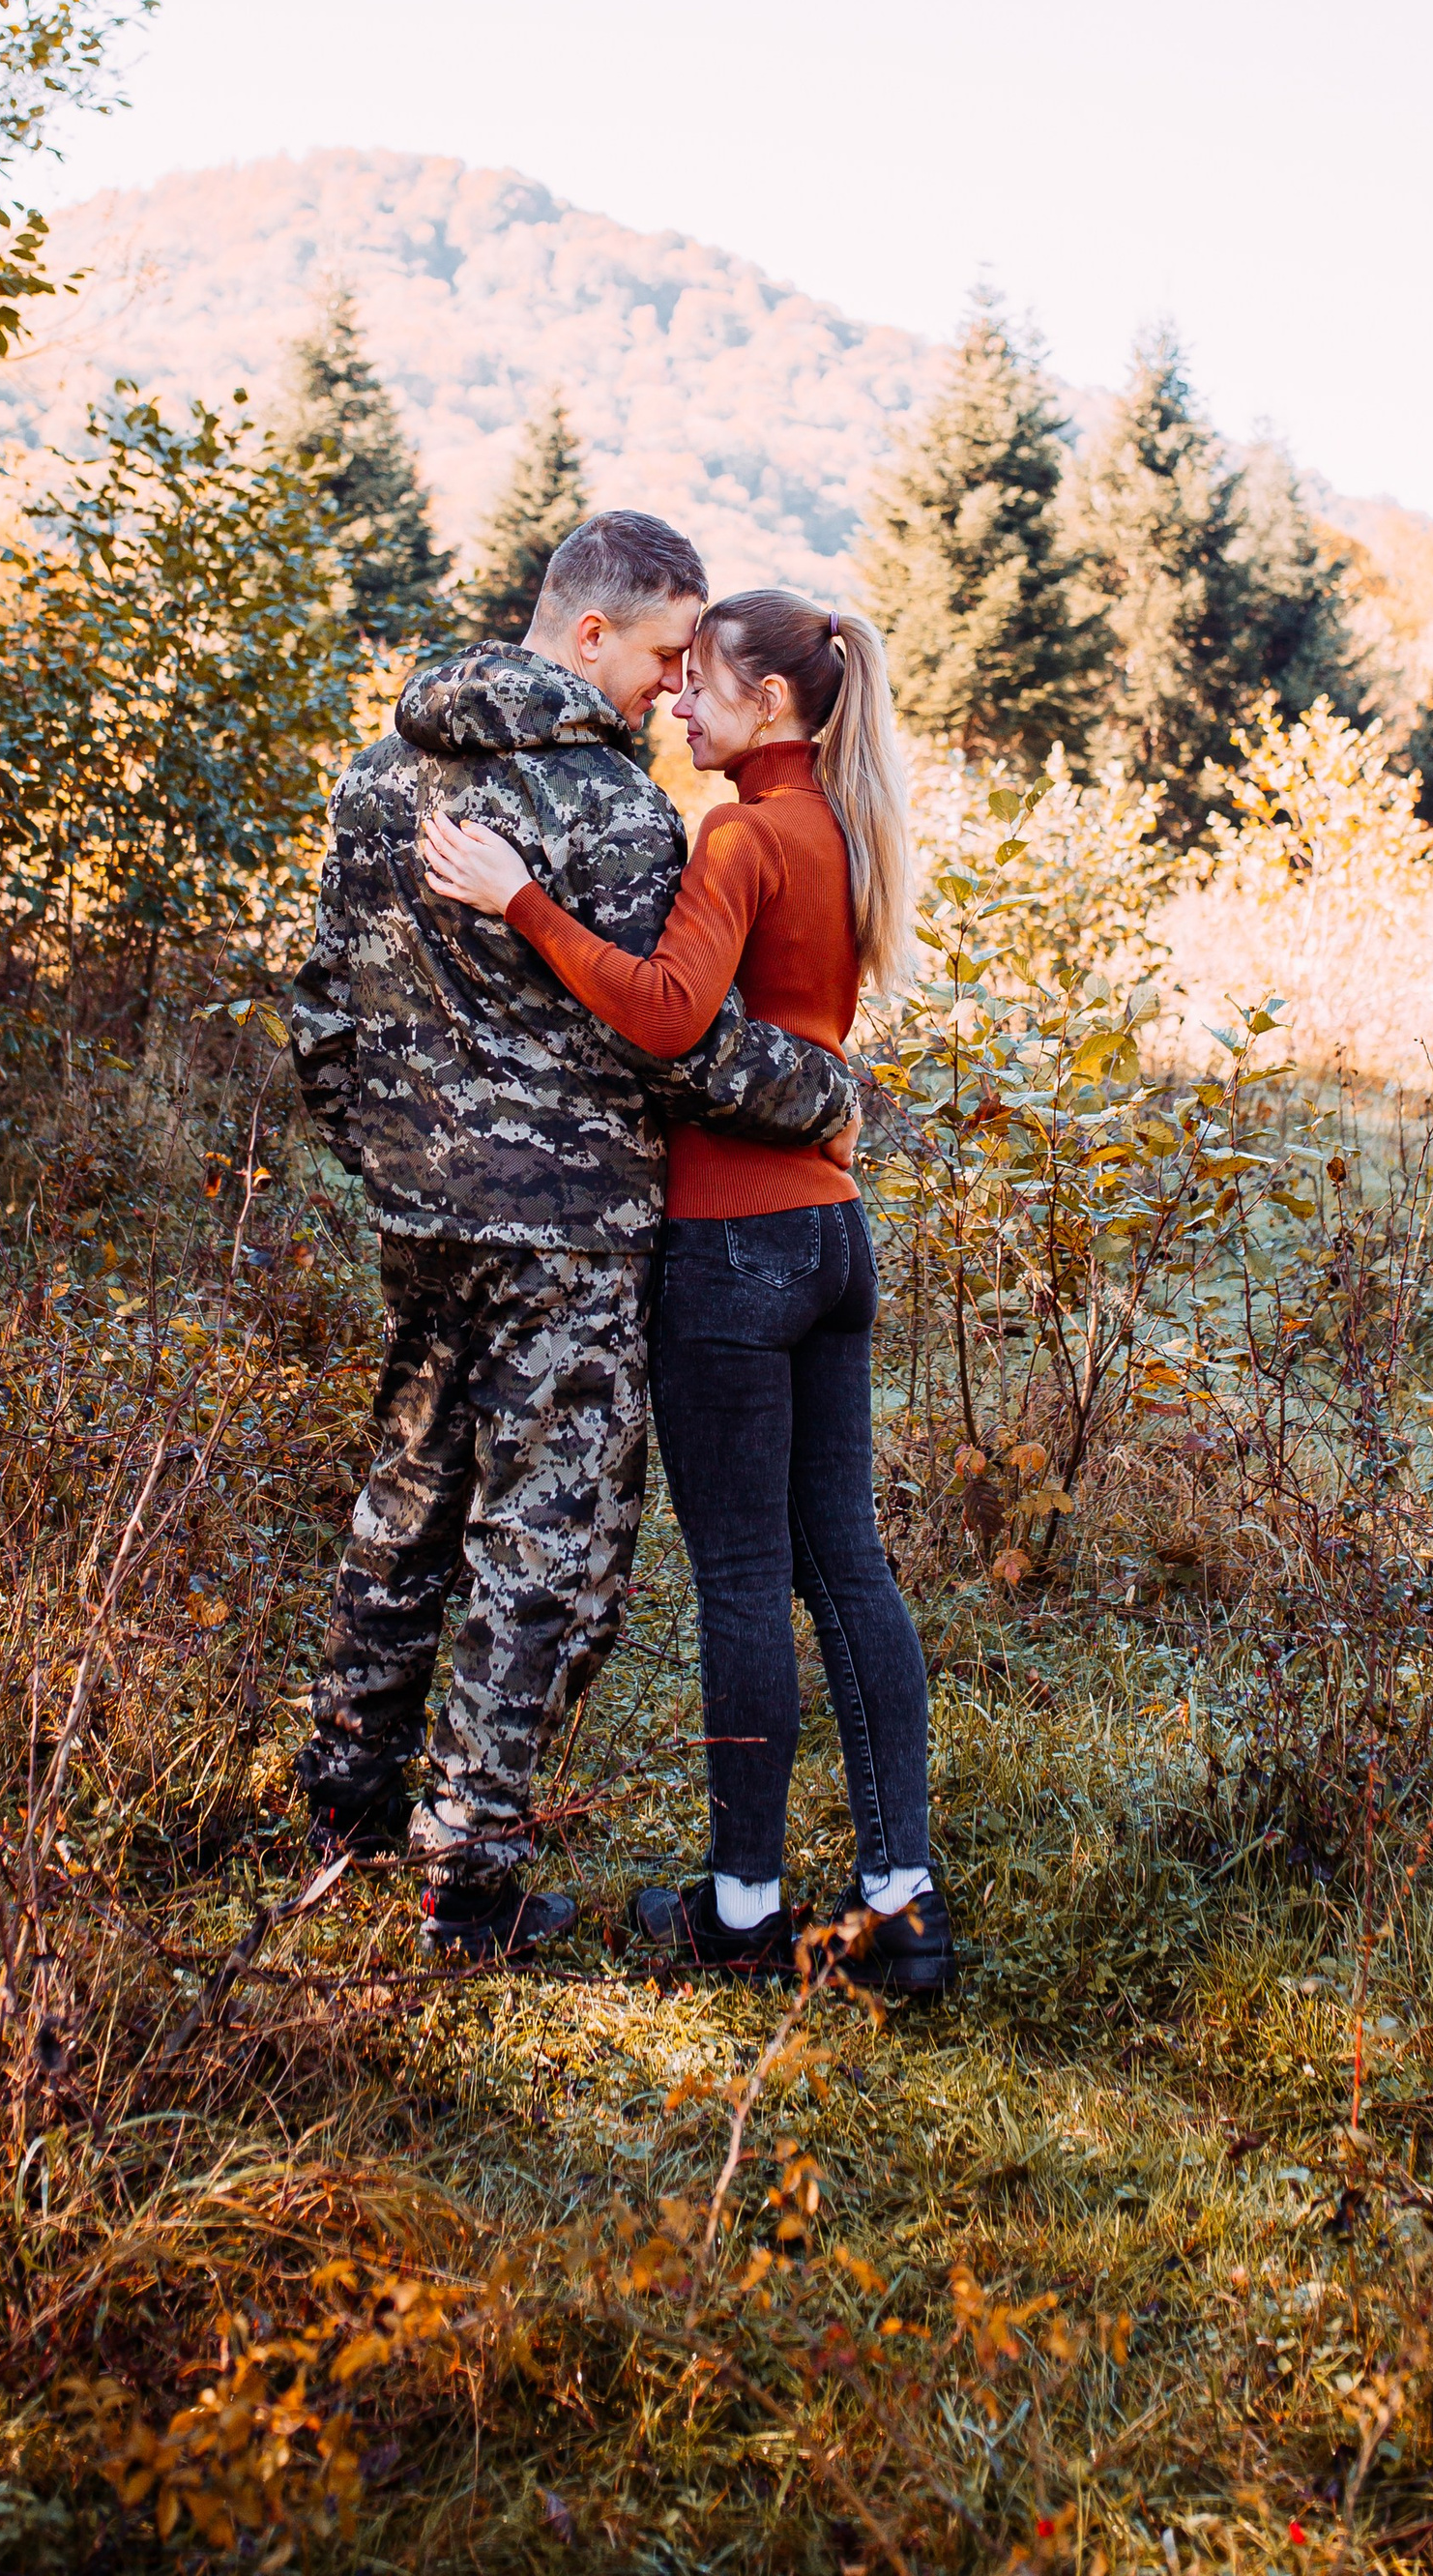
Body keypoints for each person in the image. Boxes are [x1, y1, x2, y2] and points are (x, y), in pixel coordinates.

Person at [286, 512, 860, 1966]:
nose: (669, 697)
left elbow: (321, 1021)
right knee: (543, 1546)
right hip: (574, 1247)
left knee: (407, 1503)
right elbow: (683, 1047)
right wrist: (828, 1093)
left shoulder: (377, 778)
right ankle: (464, 1886)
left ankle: (340, 1809)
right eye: (665, 654)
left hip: (424, 1227)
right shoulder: (611, 813)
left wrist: (404, 1166)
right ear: (590, 633)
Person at [422, 589, 954, 1997]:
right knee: (848, 1566)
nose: (679, 703)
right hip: (835, 1237)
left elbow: (666, 1015)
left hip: (734, 1247)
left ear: (772, 703)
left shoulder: (744, 830)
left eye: (703, 683)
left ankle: (741, 1910)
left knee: (738, 1580)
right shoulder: (845, 827)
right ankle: (902, 1900)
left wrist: (517, 900)